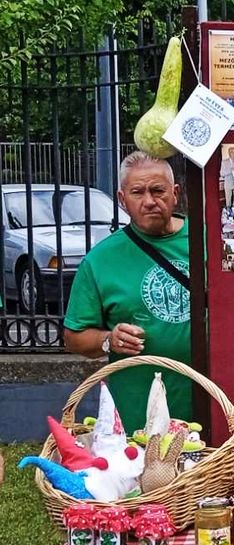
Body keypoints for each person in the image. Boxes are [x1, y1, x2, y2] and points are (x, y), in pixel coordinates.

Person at [63, 151, 192, 431]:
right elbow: (73, 338)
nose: (149, 201)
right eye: (137, 192)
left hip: (210, 398)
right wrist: (109, 339)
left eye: (158, 190)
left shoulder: (208, 240)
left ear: (175, 193)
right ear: (122, 200)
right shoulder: (101, 261)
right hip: (137, 407)